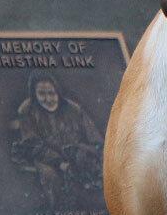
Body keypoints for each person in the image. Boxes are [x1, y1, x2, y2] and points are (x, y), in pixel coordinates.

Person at [10, 71, 103, 205]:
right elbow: (33, 144)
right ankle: (59, 211)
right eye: (41, 94)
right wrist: (59, 163)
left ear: (58, 92)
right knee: (50, 176)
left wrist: (90, 156)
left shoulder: (74, 109)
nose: (48, 99)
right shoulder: (27, 111)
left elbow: (95, 139)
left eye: (51, 93)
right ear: (34, 95)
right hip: (45, 158)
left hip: (77, 155)